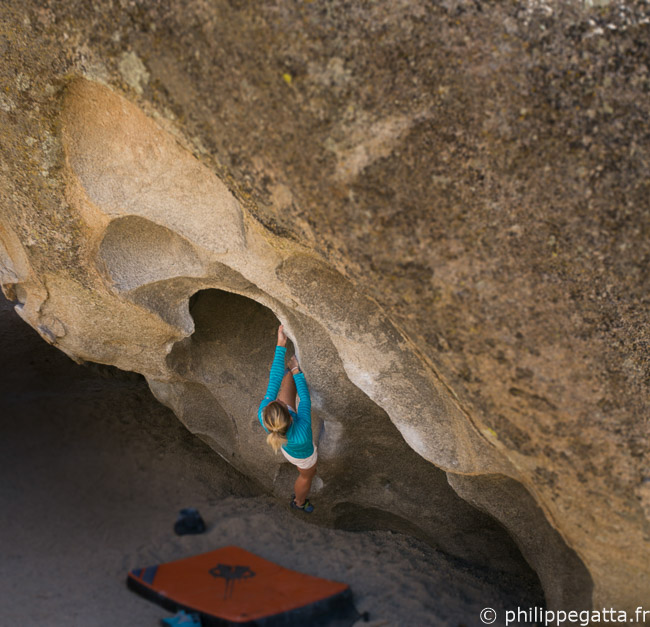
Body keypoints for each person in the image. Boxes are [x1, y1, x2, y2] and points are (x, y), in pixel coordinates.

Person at [258, 324, 317, 513]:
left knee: (284, 380)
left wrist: (280, 344)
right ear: (291, 417)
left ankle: (289, 370)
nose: (277, 399)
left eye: (276, 401)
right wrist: (297, 372)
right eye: (280, 402)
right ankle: (299, 502)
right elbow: (305, 400)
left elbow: (273, 380)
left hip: (286, 443)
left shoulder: (265, 414)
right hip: (302, 456)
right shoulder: (302, 432)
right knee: (307, 476)